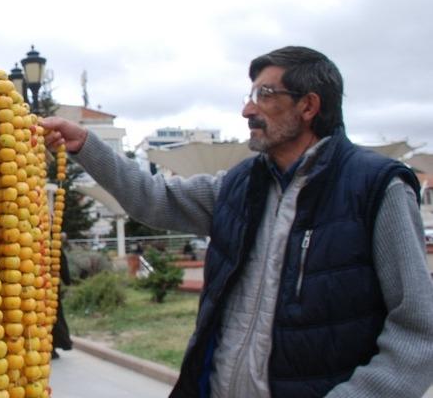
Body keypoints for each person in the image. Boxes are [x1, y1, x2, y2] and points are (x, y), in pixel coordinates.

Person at [41, 46, 433, 398]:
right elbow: (156, 199)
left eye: (265, 95)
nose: (248, 109)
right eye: (249, 96)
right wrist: (86, 146)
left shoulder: (375, 188)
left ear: (308, 106)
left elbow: (419, 330)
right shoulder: (240, 185)